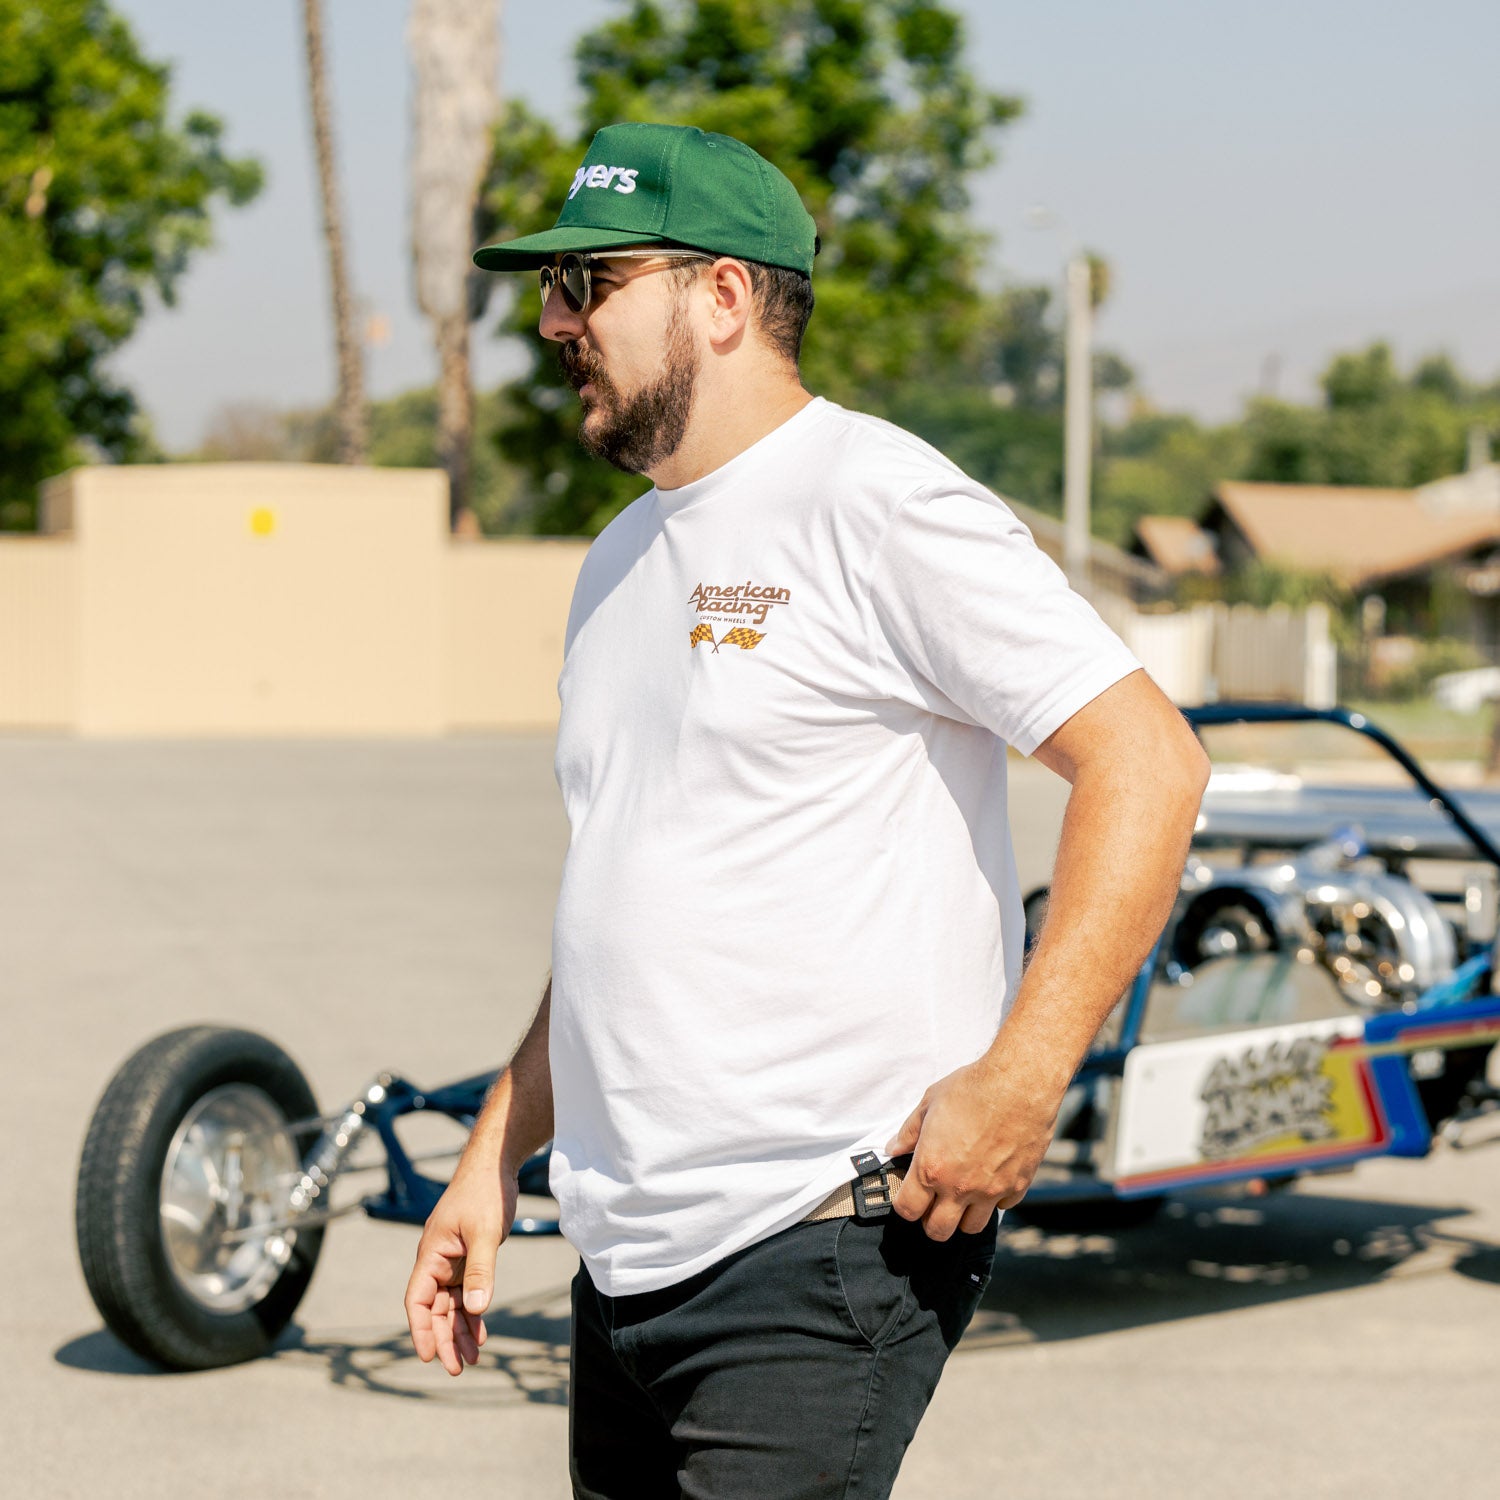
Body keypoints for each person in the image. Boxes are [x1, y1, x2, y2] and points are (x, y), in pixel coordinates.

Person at [405, 121, 1209, 1497]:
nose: (550, 320)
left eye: (588, 283)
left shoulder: (876, 501)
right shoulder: (618, 563)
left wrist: (1019, 1080)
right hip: (629, 1256)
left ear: (721, 296)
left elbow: (1148, 762)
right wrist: (495, 1152)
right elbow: (629, 893)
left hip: (815, 1240)